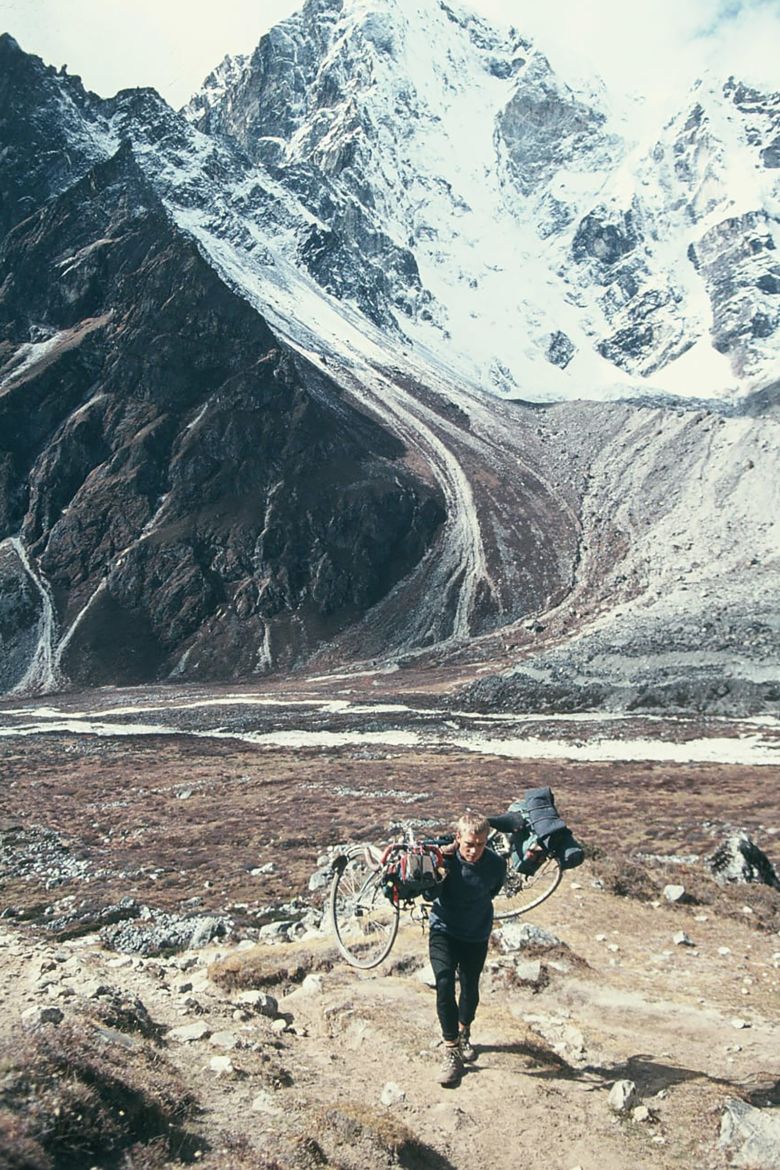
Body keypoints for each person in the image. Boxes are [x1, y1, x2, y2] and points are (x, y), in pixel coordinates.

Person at [427, 811, 507, 1087]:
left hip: (476, 933)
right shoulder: (443, 859)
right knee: (444, 982)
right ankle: (451, 1050)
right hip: (443, 931)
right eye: (469, 844)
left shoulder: (496, 864)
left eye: (480, 844)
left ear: (487, 841)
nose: (474, 851)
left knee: (470, 986)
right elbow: (428, 893)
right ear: (458, 837)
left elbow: (492, 890)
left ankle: (464, 1032)